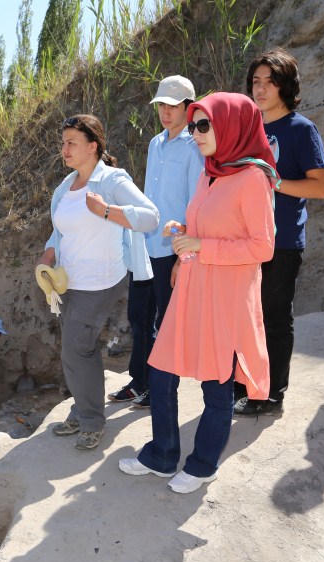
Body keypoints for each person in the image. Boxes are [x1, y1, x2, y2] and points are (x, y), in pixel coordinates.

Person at [117, 92, 277, 494]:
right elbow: (207, 228)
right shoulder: (212, 170)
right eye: (193, 126)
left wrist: (204, 246)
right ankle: (162, 454)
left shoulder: (254, 178)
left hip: (225, 294)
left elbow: (263, 247)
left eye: (203, 125)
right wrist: (183, 234)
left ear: (231, 126)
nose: (195, 133)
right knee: (162, 366)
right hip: (192, 285)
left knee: (216, 382)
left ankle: (204, 464)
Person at [37, 114, 159, 451]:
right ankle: (82, 409)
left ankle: (91, 421)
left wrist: (107, 211)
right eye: (63, 142)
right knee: (78, 349)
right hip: (68, 282)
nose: (64, 149)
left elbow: (150, 216)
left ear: (93, 146)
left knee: (77, 348)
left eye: (71, 143)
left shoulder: (112, 181)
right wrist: (49, 253)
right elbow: (61, 228)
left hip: (101, 281)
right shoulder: (67, 186)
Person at [236, 48, 324, 416]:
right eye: (256, 82)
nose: (260, 90)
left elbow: (321, 188)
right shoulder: (248, 128)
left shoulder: (301, 129)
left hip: (283, 239)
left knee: (274, 317)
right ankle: (244, 384)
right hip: (243, 239)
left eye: (269, 82)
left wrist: (273, 182)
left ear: (285, 86)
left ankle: (272, 392)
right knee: (245, 316)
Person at [108, 75, 205, 409]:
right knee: (138, 317)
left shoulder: (196, 146)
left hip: (172, 249)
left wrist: (183, 255)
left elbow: (197, 200)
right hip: (144, 246)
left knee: (167, 323)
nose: (165, 111)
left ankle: (161, 388)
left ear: (189, 107)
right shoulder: (155, 143)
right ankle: (140, 380)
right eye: (161, 104)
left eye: (172, 105)